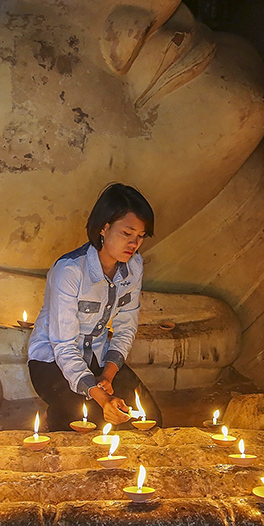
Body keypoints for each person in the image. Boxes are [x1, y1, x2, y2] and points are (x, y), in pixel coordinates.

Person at [27, 184, 162, 430]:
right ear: (104, 227)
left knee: (149, 420)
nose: (134, 243)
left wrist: (107, 377)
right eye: (126, 233)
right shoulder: (69, 271)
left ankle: (69, 411)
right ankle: (58, 416)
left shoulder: (134, 266)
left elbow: (126, 328)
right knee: (97, 423)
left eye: (141, 236)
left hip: (98, 357)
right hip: (53, 361)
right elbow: (63, 345)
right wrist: (101, 396)